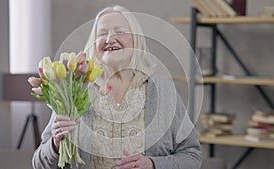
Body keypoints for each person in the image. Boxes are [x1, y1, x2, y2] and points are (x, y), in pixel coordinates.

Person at [32, 5, 201, 169]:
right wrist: (55, 145)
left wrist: (153, 165)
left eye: (119, 31)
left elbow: (192, 156)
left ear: (135, 40)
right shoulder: (73, 91)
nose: (109, 38)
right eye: (102, 33)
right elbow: (39, 164)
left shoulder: (164, 91)